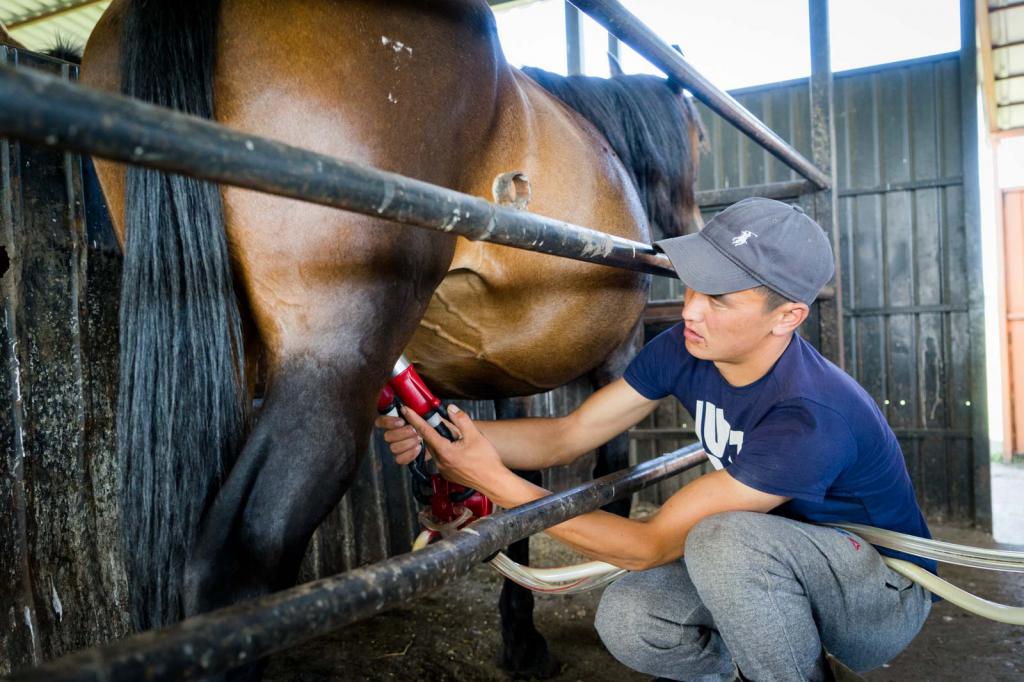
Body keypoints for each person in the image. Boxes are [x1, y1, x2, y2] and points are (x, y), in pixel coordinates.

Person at [376, 197, 933, 681]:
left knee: (722, 541)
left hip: (878, 594)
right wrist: (441, 442)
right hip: (770, 575)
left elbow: (648, 547)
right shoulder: (686, 348)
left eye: (719, 298)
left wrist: (492, 481)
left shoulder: (810, 416)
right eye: (693, 285)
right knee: (630, 617)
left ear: (786, 316)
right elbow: (567, 437)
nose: (690, 308)